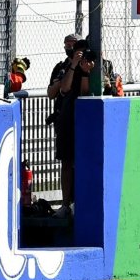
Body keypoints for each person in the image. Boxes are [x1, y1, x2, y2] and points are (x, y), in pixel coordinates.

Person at [47, 34, 98, 216]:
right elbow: (61, 90)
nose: (70, 48)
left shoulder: (96, 65)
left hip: (88, 119)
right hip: (66, 117)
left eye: (74, 45)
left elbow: (85, 91)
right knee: (67, 161)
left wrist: (85, 71)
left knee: (86, 161)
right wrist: (74, 65)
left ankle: (82, 201)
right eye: (67, 45)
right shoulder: (62, 67)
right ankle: (65, 204)